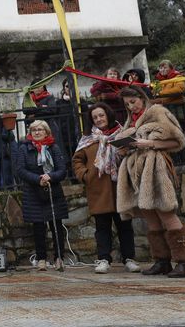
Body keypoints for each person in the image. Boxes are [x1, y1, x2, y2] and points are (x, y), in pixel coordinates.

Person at [115, 85, 185, 278]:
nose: (131, 107)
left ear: (142, 98)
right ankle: (162, 260)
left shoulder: (157, 112)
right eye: (127, 104)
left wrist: (150, 144)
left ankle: (184, 262)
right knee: (150, 215)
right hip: (138, 172)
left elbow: (178, 141)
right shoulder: (130, 120)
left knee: (166, 213)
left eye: (133, 102)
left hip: (156, 170)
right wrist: (124, 147)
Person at [72, 102, 140, 274]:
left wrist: (125, 154)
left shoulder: (121, 134)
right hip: (98, 188)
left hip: (120, 186)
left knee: (125, 225)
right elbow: (77, 160)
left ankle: (129, 259)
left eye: (101, 115)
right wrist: (85, 175)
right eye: (95, 117)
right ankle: (103, 259)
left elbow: (134, 153)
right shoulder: (88, 139)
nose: (99, 119)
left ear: (108, 115)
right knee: (102, 227)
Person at [17, 120, 68, 272]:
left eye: (40, 130)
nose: (37, 132)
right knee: (38, 227)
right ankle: (41, 259)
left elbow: (62, 169)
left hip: (53, 191)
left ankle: (59, 258)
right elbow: (20, 170)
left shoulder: (54, 148)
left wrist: (50, 177)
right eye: (34, 130)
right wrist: (38, 179)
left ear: (46, 132)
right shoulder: (24, 148)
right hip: (33, 192)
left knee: (56, 226)